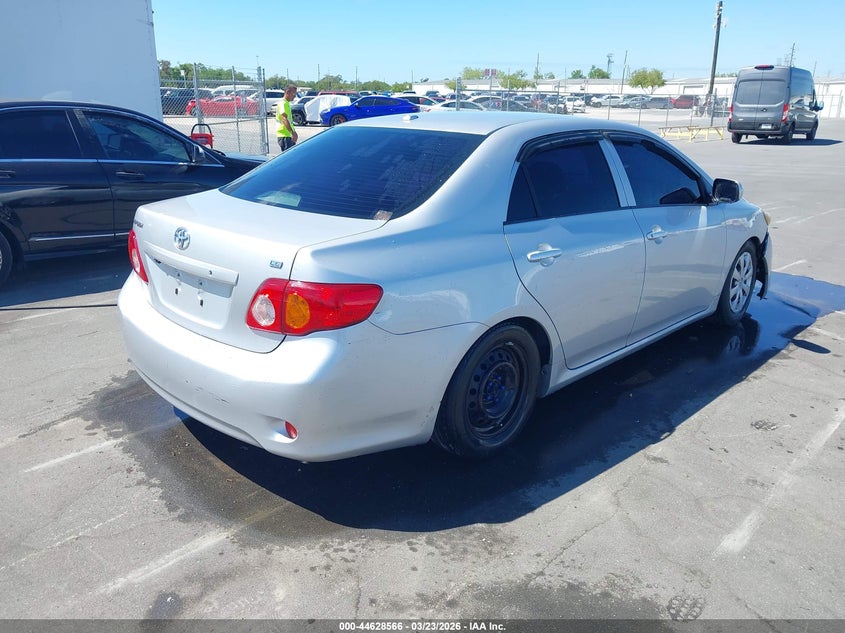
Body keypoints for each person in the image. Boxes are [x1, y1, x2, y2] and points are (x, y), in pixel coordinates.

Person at [276, 84, 298, 152]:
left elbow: (289, 120)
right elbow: (284, 118)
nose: (295, 96)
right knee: (288, 159)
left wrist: (294, 132)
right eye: (293, 93)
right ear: (287, 92)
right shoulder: (283, 103)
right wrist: (292, 133)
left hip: (287, 135)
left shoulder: (286, 103)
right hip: (285, 135)